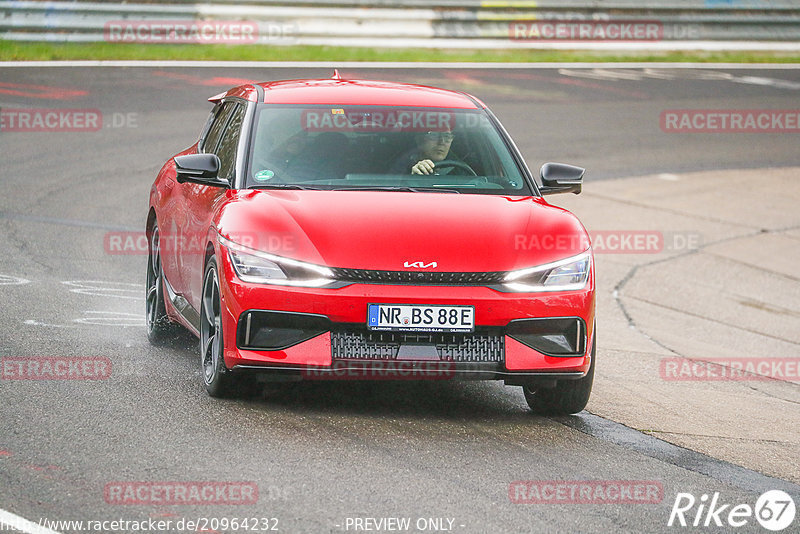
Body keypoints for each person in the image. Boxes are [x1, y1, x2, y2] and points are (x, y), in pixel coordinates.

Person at [390, 129, 460, 175]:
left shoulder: (460, 168)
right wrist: (412, 177)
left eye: (447, 136)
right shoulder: (403, 165)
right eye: (434, 135)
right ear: (419, 140)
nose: (441, 142)